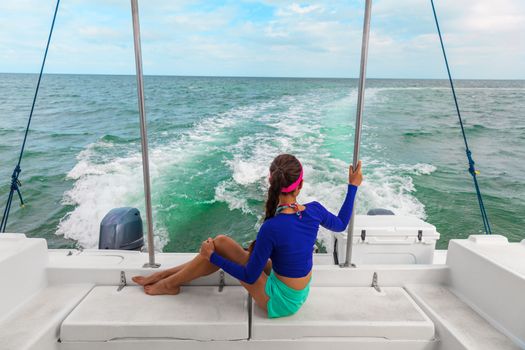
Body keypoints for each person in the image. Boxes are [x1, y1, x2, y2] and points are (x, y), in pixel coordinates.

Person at [133, 154, 362, 318]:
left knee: (217, 249)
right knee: (221, 241)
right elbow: (341, 224)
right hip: (296, 288)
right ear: (300, 185)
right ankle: (166, 277)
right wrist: (353, 186)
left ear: (270, 183)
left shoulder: (272, 227)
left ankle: (169, 283)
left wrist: (213, 258)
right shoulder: (314, 210)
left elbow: (250, 276)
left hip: (281, 302)